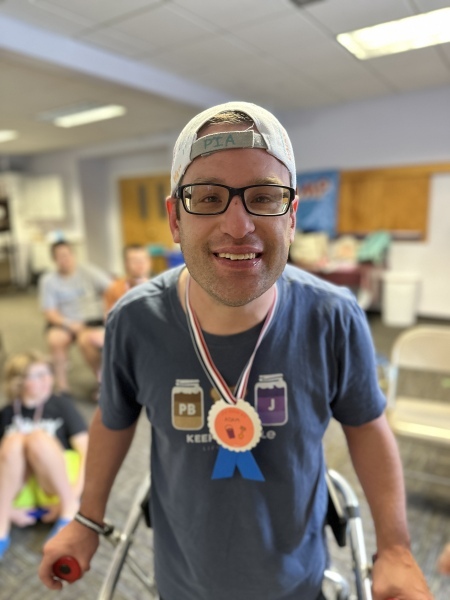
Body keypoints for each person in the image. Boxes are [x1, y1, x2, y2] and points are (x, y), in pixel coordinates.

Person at [38, 102, 432, 600]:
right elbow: (113, 420)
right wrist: (87, 519)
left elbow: (368, 426)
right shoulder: (135, 321)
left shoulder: (332, 316)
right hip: (183, 581)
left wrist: (394, 548)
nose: (238, 225)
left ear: (292, 217)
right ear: (175, 219)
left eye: (264, 197)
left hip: (297, 580)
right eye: (207, 198)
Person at [0, 350, 88, 561]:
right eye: (38, 375)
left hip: (56, 485)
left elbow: (88, 453)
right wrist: (10, 510)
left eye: (48, 373)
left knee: (37, 439)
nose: (47, 379)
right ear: (19, 381)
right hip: (20, 492)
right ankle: (1, 521)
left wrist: (75, 496)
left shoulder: (61, 405)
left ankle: (69, 510)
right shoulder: (7, 413)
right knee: (13, 443)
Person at [39, 240, 112, 391]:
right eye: (60, 256)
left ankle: (103, 383)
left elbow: (113, 289)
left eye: (67, 255)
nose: (65, 259)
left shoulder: (89, 272)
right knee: (55, 340)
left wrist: (108, 309)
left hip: (91, 319)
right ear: (54, 259)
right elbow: (49, 312)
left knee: (86, 341)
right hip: (65, 321)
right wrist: (68, 324)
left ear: (73, 255)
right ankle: (62, 388)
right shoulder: (48, 280)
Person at [103, 244, 152, 314]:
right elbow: (109, 317)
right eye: (134, 260)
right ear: (125, 263)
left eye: (144, 259)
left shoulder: (160, 287)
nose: (140, 263)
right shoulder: (114, 289)